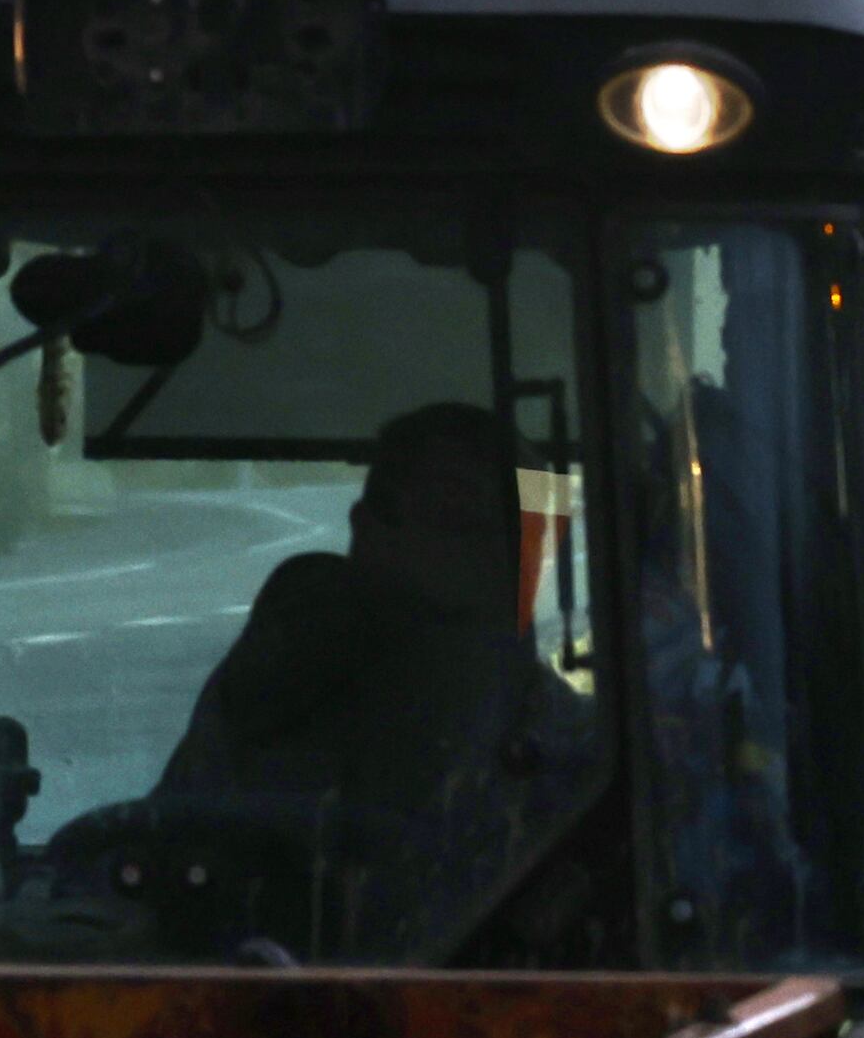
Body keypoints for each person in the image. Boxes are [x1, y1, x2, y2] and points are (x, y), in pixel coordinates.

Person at [159, 402, 596, 943]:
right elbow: (162, 861)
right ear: (366, 528)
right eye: (457, 516)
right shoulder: (274, 683)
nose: (512, 552)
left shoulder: (570, 747)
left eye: (533, 531)